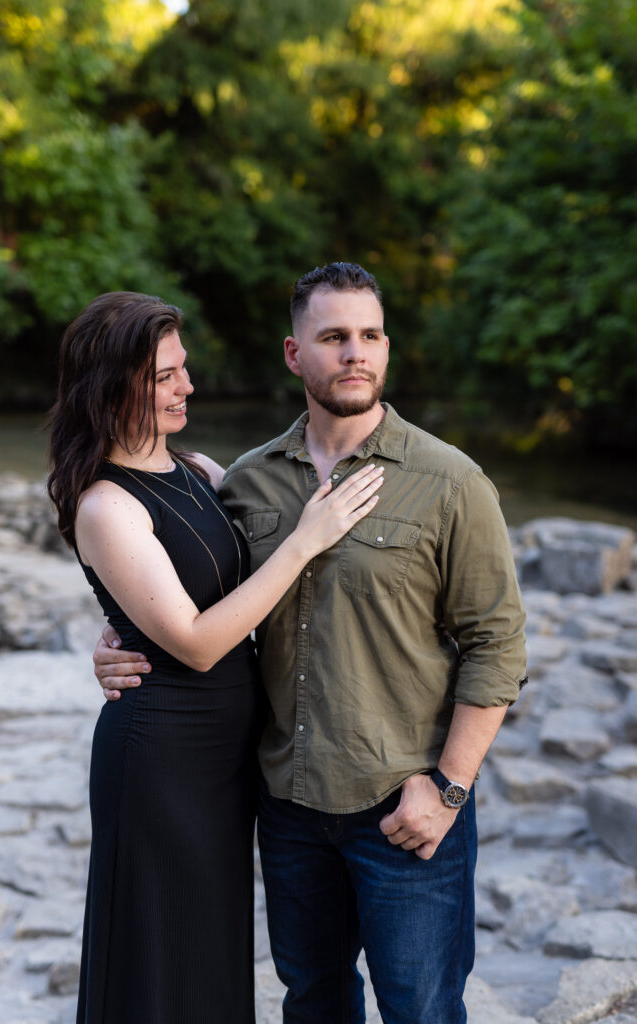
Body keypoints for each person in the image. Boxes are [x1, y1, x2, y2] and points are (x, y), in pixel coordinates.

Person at [94, 264, 528, 1024]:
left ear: (386, 349)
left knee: (421, 1011)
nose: (353, 353)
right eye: (333, 337)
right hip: (287, 807)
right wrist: (117, 639)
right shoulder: (248, 482)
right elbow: (189, 586)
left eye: (368, 336)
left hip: (403, 803)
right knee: (313, 1004)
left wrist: (448, 789)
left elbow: (497, 646)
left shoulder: (450, 482)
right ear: (295, 354)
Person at [46, 289, 384, 1024]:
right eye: (165, 375)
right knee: (156, 952)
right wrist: (307, 536)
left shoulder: (200, 470)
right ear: (112, 385)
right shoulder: (105, 504)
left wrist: (118, 637)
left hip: (224, 760)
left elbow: (232, 586)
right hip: (161, 757)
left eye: (183, 369)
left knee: (210, 946)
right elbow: (197, 642)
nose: (187, 387)